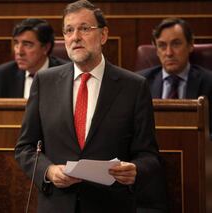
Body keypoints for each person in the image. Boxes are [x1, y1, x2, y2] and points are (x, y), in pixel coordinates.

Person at [14, 1, 162, 212]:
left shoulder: (134, 86)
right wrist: (49, 171)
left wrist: (136, 169)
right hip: (57, 204)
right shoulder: (44, 82)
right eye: (69, 30)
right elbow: (25, 148)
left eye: (84, 28)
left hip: (110, 205)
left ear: (103, 35)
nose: (75, 37)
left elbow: (149, 155)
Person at [138, 17, 212, 140]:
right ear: (156, 50)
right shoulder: (140, 83)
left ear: (190, 45)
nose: (169, 53)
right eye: (162, 45)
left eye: (176, 44)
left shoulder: (209, 82)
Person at [0, 18, 68, 98]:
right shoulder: (2, 75)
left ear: (46, 48)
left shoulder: (67, 75)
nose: (19, 52)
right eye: (16, 43)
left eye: (27, 44)